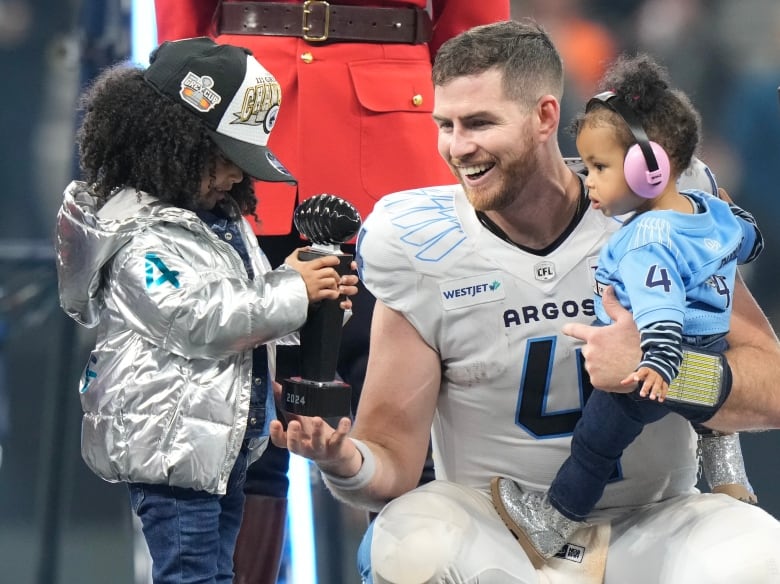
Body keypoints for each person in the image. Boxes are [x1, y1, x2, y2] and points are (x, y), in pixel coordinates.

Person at [270, 19, 780, 584]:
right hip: (495, 525)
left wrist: (664, 371)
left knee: (756, 556)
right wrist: (342, 461)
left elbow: (773, 387)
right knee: (408, 546)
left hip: (655, 520)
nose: (458, 147)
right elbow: (390, 455)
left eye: (480, 123)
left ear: (544, 117)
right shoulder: (419, 240)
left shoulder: (658, 211)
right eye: (446, 124)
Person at [152, 2, 511, 581]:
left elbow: (475, 27)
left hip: (393, 145)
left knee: (404, 422)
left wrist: (478, 122)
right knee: (231, 435)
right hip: (237, 126)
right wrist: (177, 115)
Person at [54, 37, 358, 584]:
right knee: (192, 576)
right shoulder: (137, 239)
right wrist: (291, 287)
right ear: (173, 143)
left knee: (219, 574)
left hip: (221, 450)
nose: (239, 177)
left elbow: (251, 312)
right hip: (172, 456)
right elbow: (201, 319)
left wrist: (316, 304)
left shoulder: (216, 215)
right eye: (226, 159)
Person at [491, 52, 763, 567]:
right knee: (709, 413)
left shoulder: (645, 241)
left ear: (650, 168)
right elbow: (749, 240)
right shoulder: (712, 209)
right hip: (711, 346)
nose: (586, 179)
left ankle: (554, 520)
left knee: (596, 445)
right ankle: (728, 474)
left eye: (598, 167)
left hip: (651, 360)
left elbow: (659, 309)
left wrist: (656, 365)